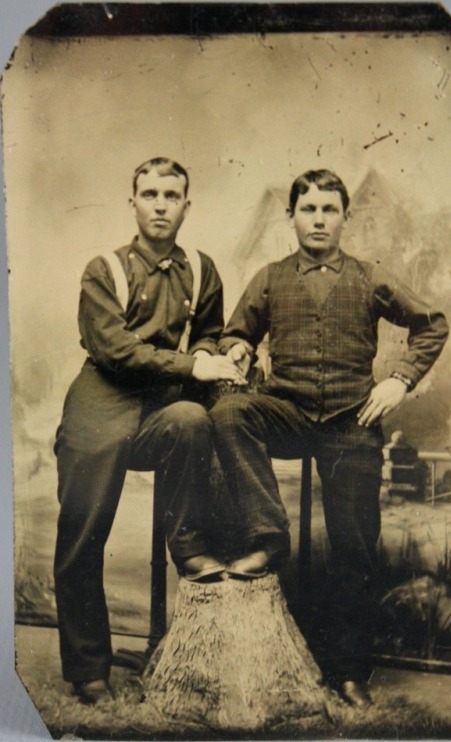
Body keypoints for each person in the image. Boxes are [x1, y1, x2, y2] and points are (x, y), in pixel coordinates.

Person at [210, 168, 449, 707]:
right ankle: (270, 534)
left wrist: (399, 379)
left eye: (329, 210)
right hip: (288, 413)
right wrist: (238, 349)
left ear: (345, 217)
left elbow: (432, 323)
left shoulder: (369, 277)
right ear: (291, 216)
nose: (318, 220)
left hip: (351, 423)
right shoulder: (270, 277)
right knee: (227, 413)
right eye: (308, 209)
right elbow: (234, 333)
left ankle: (350, 673)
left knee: (355, 546)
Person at [54, 157, 244, 704]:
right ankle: (89, 670)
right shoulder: (104, 270)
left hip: (162, 406)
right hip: (101, 403)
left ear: (187, 206)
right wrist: (193, 366)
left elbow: (206, 334)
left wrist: (219, 353)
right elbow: (115, 351)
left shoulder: (202, 269)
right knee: (83, 531)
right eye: (150, 194)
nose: (161, 206)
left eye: (172, 196)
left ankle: (186, 544)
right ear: (132, 202)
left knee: (192, 419)